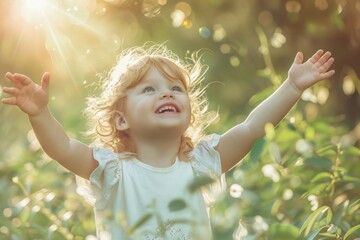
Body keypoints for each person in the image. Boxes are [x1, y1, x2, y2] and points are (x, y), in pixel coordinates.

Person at [1, 44, 335, 240]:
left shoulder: (201, 163)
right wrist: (41, 113)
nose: (166, 92)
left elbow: (251, 129)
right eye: (149, 89)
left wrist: (291, 87)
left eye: (177, 89)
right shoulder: (112, 170)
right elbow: (63, 148)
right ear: (121, 120)